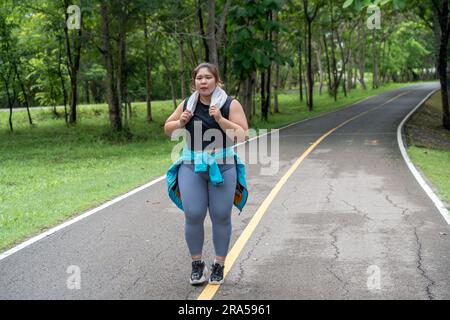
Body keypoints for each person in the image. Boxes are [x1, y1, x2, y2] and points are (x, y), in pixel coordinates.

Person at [164, 62, 249, 285]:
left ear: (216, 81)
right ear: (194, 83)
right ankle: (197, 264)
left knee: (221, 215)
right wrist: (180, 122)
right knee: (193, 214)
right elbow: (167, 129)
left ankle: (218, 265)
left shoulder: (230, 104)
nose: (203, 81)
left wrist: (220, 119)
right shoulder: (187, 105)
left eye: (208, 77)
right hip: (192, 166)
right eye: (199, 78)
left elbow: (242, 135)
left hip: (223, 165)